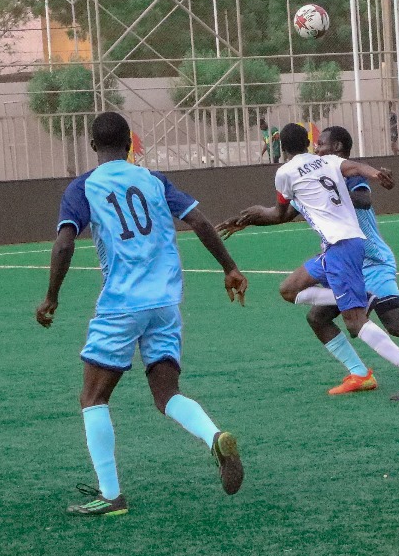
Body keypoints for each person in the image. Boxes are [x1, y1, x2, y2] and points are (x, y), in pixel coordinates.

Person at [35, 111, 249, 517]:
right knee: (166, 394)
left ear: (93, 146)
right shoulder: (153, 180)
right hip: (165, 302)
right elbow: (198, 220)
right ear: (130, 143)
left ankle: (111, 495)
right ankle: (214, 436)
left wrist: (51, 297)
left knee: (93, 396)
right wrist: (230, 268)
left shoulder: (84, 186)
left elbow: (64, 243)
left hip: (122, 304)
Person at [223, 126, 399, 395]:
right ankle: (360, 374)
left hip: (371, 260)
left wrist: (327, 191)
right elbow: (282, 214)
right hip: (340, 254)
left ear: (336, 147)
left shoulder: (337, 173)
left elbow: (363, 199)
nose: (317, 148)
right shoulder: (310, 175)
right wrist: (247, 220)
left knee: (395, 324)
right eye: (315, 144)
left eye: (322, 144)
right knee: (317, 317)